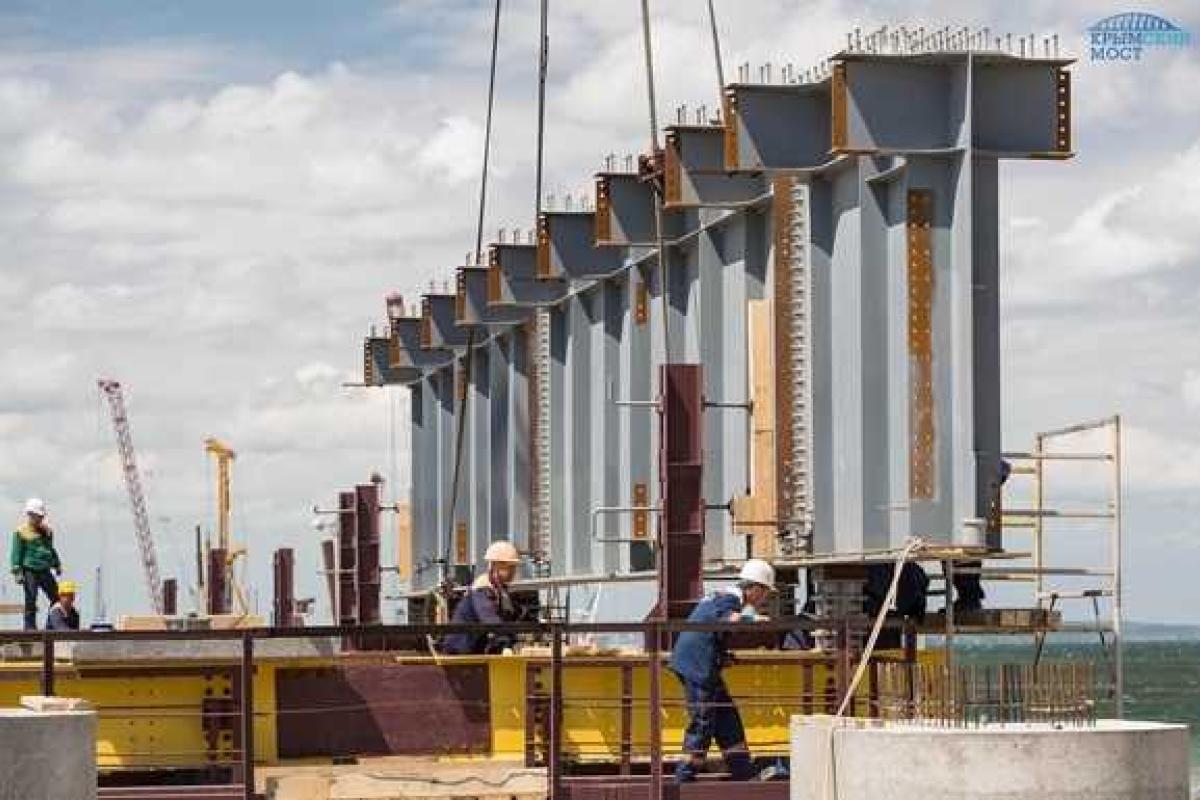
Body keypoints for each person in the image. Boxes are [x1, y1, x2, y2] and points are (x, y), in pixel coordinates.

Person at [669, 558, 775, 783]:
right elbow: (727, 620)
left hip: (700, 661)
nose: (765, 598)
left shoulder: (722, 595)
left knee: (725, 713)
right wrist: (754, 620)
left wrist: (722, 656)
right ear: (755, 588)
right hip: (698, 665)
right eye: (765, 592)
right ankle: (684, 776)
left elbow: (713, 630)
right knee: (703, 717)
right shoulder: (731, 598)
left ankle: (742, 769)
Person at [440, 540, 522, 655]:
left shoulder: (500, 590)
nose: (513, 572)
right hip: (460, 649)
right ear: (494, 566)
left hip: (474, 648)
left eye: (514, 568)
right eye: (509, 568)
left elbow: (506, 619)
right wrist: (505, 643)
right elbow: (489, 619)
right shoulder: (482, 588)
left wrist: (514, 639)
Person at [10, 498, 62, 630]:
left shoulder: (47, 532)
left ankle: (52, 625)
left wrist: (57, 564)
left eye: (41, 516)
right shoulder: (21, 532)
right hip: (29, 571)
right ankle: (30, 628)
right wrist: (17, 572)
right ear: (30, 515)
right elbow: (16, 554)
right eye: (37, 516)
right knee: (31, 600)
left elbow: (50, 550)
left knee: (57, 598)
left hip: (44, 570)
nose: (39, 519)